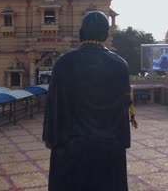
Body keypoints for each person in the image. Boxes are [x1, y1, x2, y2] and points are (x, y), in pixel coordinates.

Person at [43, 11, 135, 191]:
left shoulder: (64, 63)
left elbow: (53, 106)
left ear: (80, 33)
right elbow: (124, 109)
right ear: (106, 35)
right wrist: (124, 142)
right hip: (109, 149)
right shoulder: (120, 65)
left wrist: (51, 139)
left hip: (71, 149)